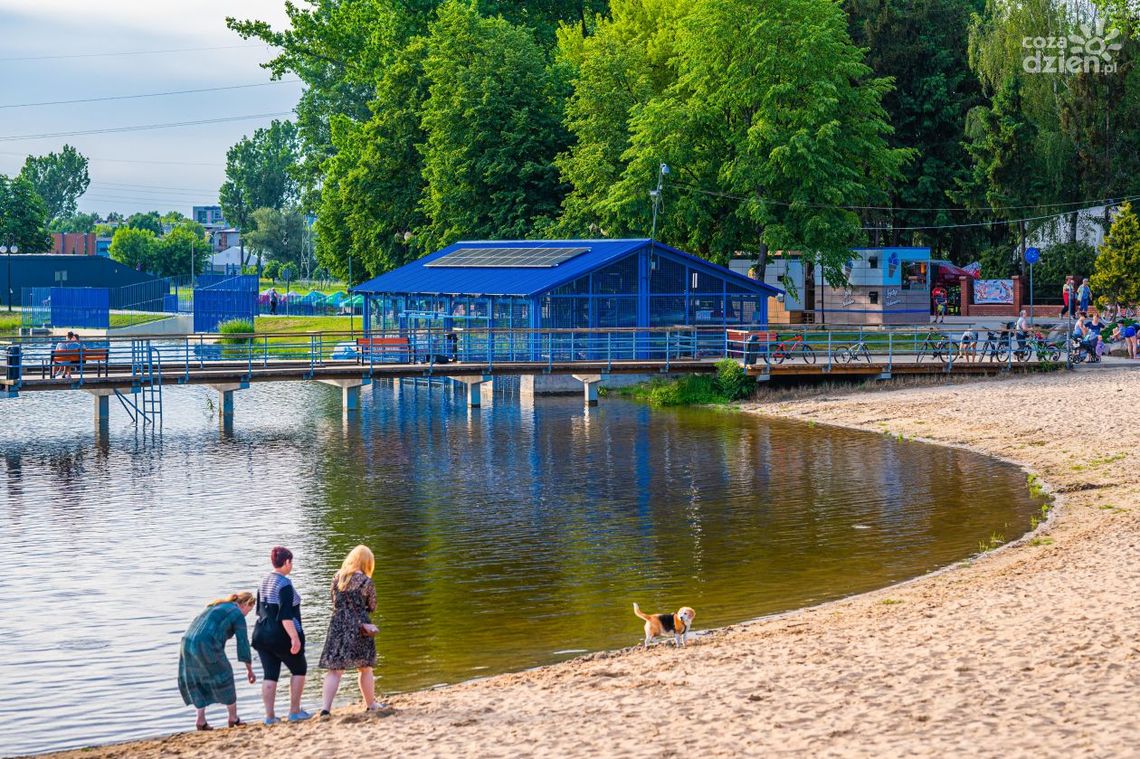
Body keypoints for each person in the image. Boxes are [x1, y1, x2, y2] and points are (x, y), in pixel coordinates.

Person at [318, 545, 389, 717]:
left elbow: (334, 602)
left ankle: (325, 709)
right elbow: (372, 606)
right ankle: (370, 704)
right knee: (365, 667)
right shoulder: (366, 581)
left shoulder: (337, 577)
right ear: (367, 562)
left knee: (334, 670)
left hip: (337, 625)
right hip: (359, 627)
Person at [178, 592, 257, 731]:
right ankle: (233, 718)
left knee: (197, 679)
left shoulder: (217, 605)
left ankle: (200, 721)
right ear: (245, 604)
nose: (246, 615)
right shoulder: (237, 614)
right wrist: (249, 669)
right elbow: (243, 643)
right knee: (225, 676)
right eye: (248, 611)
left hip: (187, 642)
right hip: (206, 644)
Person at [252, 546, 311, 724]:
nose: (291, 565)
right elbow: (285, 616)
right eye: (291, 562)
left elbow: (259, 611)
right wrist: (294, 638)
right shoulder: (285, 584)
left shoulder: (263, 581)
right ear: (286, 562)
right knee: (299, 669)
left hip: (261, 634)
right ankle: (294, 712)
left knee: (270, 674)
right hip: (281, 635)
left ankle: (269, 717)